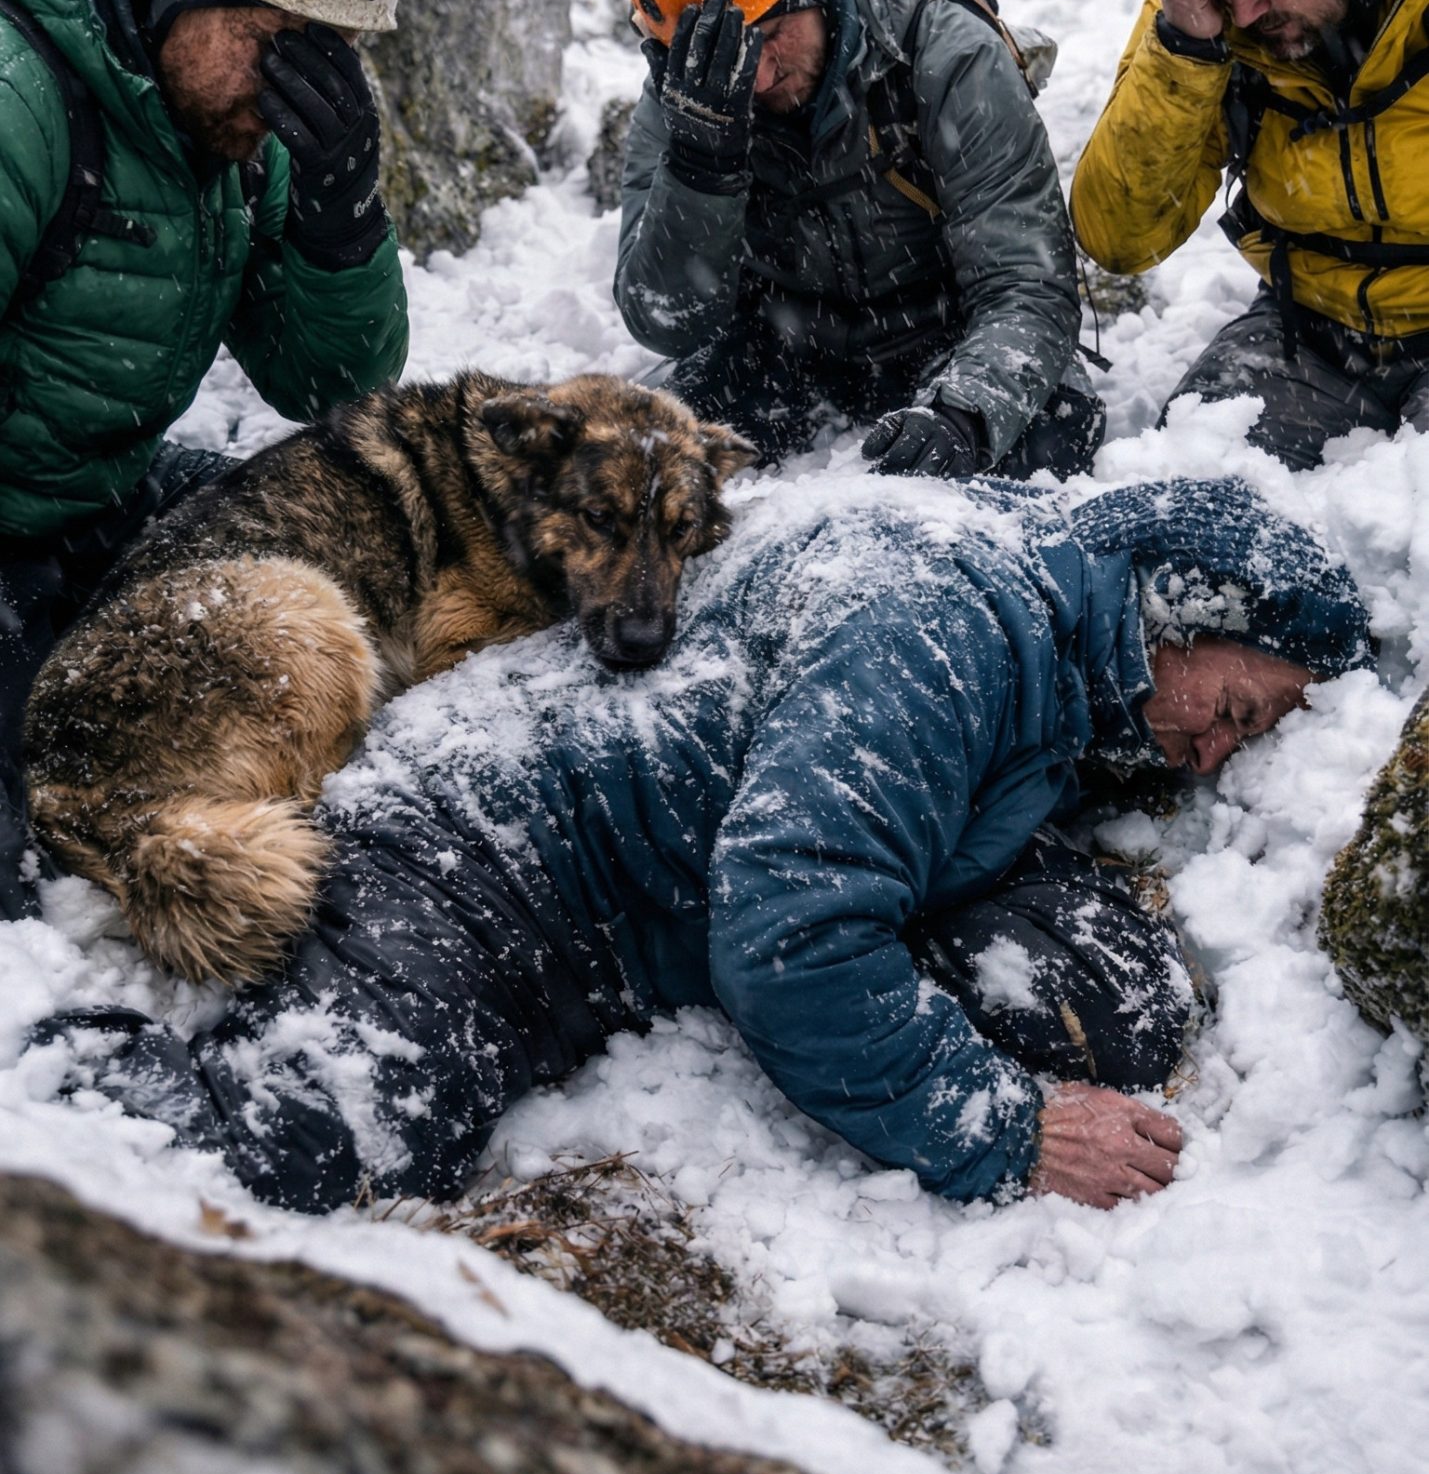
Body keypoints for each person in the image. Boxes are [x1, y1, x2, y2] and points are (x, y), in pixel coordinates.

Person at [30, 476, 1372, 1217]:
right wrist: (1004, 1127)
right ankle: (59, 1113)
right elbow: (790, 939)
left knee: (1100, 988)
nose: (1214, 753)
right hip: (483, 865)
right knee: (322, 1149)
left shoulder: (1038, 605)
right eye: (1234, 711)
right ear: (1173, 611)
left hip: (594, 860)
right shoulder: (940, 630)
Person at [0, 0, 412, 917]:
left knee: (355, 557)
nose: (289, 89)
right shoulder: (20, 99)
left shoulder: (236, 137)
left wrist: (340, 214)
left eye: (322, 52)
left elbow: (328, 383)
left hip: (95, 499)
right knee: (27, 860)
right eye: (276, 38)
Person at [612, 0, 1101, 481]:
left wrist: (963, 415)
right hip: (783, 347)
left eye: (771, 34)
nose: (759, 77)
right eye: (735, 57)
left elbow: (1027, 284)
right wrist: (702, 165)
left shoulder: (947, 53)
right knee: (631, 467)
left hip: (946, 332)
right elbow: (666, 321)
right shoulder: (689, 96)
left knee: (1049, 434)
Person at [1072, 0, 1429, 470]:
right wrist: (1186, 42)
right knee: (1184, 497)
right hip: (1310, 326)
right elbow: (1122, 238)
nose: (1243, 10)